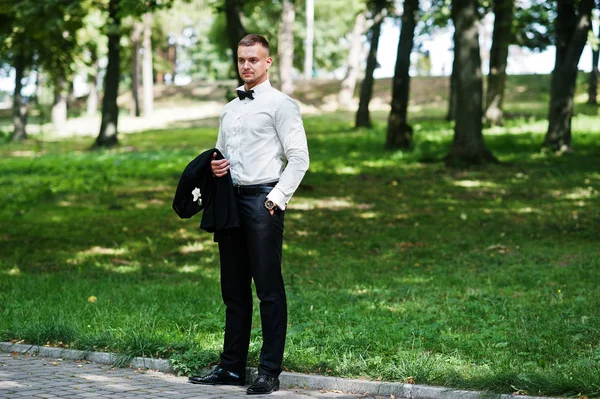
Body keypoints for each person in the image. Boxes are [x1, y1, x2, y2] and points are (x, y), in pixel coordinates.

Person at [188, 34, 309, 395]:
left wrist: (275, 200)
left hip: (262, 201)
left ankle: (269, 371)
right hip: (231, 203)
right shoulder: (229, 108)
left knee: (268, 289)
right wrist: (216, 169)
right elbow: (221, 155)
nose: (246, 66)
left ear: (268, 62)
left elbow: (299, 158)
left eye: (254, 60)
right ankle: (231, 369)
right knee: (234, 290)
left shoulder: (282, 105)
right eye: (242, 59)